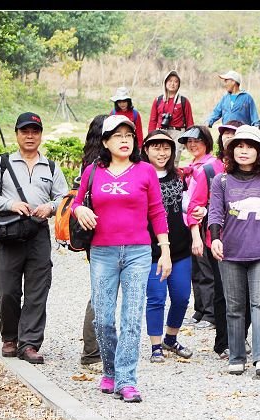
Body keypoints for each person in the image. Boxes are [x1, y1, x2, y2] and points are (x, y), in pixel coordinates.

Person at [72, 114, 171, 403]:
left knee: (130, 318)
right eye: (117, 136)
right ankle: (110, 370)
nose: (124, 140)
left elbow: (157, 211)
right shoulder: (93, 171)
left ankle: (126, 379)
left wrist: (164, 250)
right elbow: (77, 201)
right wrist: (80, 211)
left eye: (129, 135)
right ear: (105, 142)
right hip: (102, 253)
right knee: (102, 319)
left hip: (139, 252)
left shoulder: (145, 171)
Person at [0, 112, 68, 364]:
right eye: (25, 131)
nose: (30, 136)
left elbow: (64, 198)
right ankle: (10, 337)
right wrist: (10, 203)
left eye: (35, 131)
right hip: (9, 234)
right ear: (17, 134)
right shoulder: (2, 163)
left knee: (37, 289)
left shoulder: (51, 167)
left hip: (38, 233)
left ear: (41, 135)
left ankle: (29, 343)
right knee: (6, 288)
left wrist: (50, 207)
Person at [208, 125, 260, 377]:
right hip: (230, 252)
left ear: (259, 151)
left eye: (250, 146)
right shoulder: (220, 181)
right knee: (234, 306)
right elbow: (215, 213)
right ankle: (237, 355)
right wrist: (216, 239)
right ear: (231, 151)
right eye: (239, 146)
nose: (244, 151)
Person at [186, 120, 251, 359]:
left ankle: (240, 336)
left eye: (234, 134)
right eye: (225, 134)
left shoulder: (258, 170)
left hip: (250, 240)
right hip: (219, 239)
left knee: (250, 295)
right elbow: (194, 204)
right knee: (224, 293)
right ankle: (225, 342)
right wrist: (197, 232)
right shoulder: (211, 170)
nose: (228, 138)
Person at [141, 130, 194, 363]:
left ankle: (170, 339)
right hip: (151, 250)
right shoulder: (139, 176)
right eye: (156, 147)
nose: (161, 152)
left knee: (182, 297)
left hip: (180, 248)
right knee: (156, 298)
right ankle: (155, 346)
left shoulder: (179, 176)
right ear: (145, 150)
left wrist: (197, 212)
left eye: (166, 148)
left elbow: (186, 206)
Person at [177, 125, 217, 330]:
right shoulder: (192, 166)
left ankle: (210, 314)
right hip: (189, 223)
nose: (192, 145)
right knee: (196, 270)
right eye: (189, 142)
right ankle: (199, 310)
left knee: (206, 269)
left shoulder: (211, 166)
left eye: (197, 141)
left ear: (207, 142)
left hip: (204, 224)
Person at [77, 114, 107, 371]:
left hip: (91, 235)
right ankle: (91, 352)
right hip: (103, 235)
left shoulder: (87, 160)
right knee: (100, 294)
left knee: (100, 291)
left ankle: (98, 348)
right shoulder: (100, 165)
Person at [148, 70, 194, 166]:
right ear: (165, 83)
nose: (172, 84)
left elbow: (189, 121)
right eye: (170, 81)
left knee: (174, 158)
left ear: (178, 84)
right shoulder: (158, 100)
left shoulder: (183, 101)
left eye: (175, 81)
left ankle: (173, 179)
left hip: (177, 133)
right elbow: (153, 120)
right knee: (160, 157)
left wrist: (189, 139)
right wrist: (150, 137)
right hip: (162, 131)